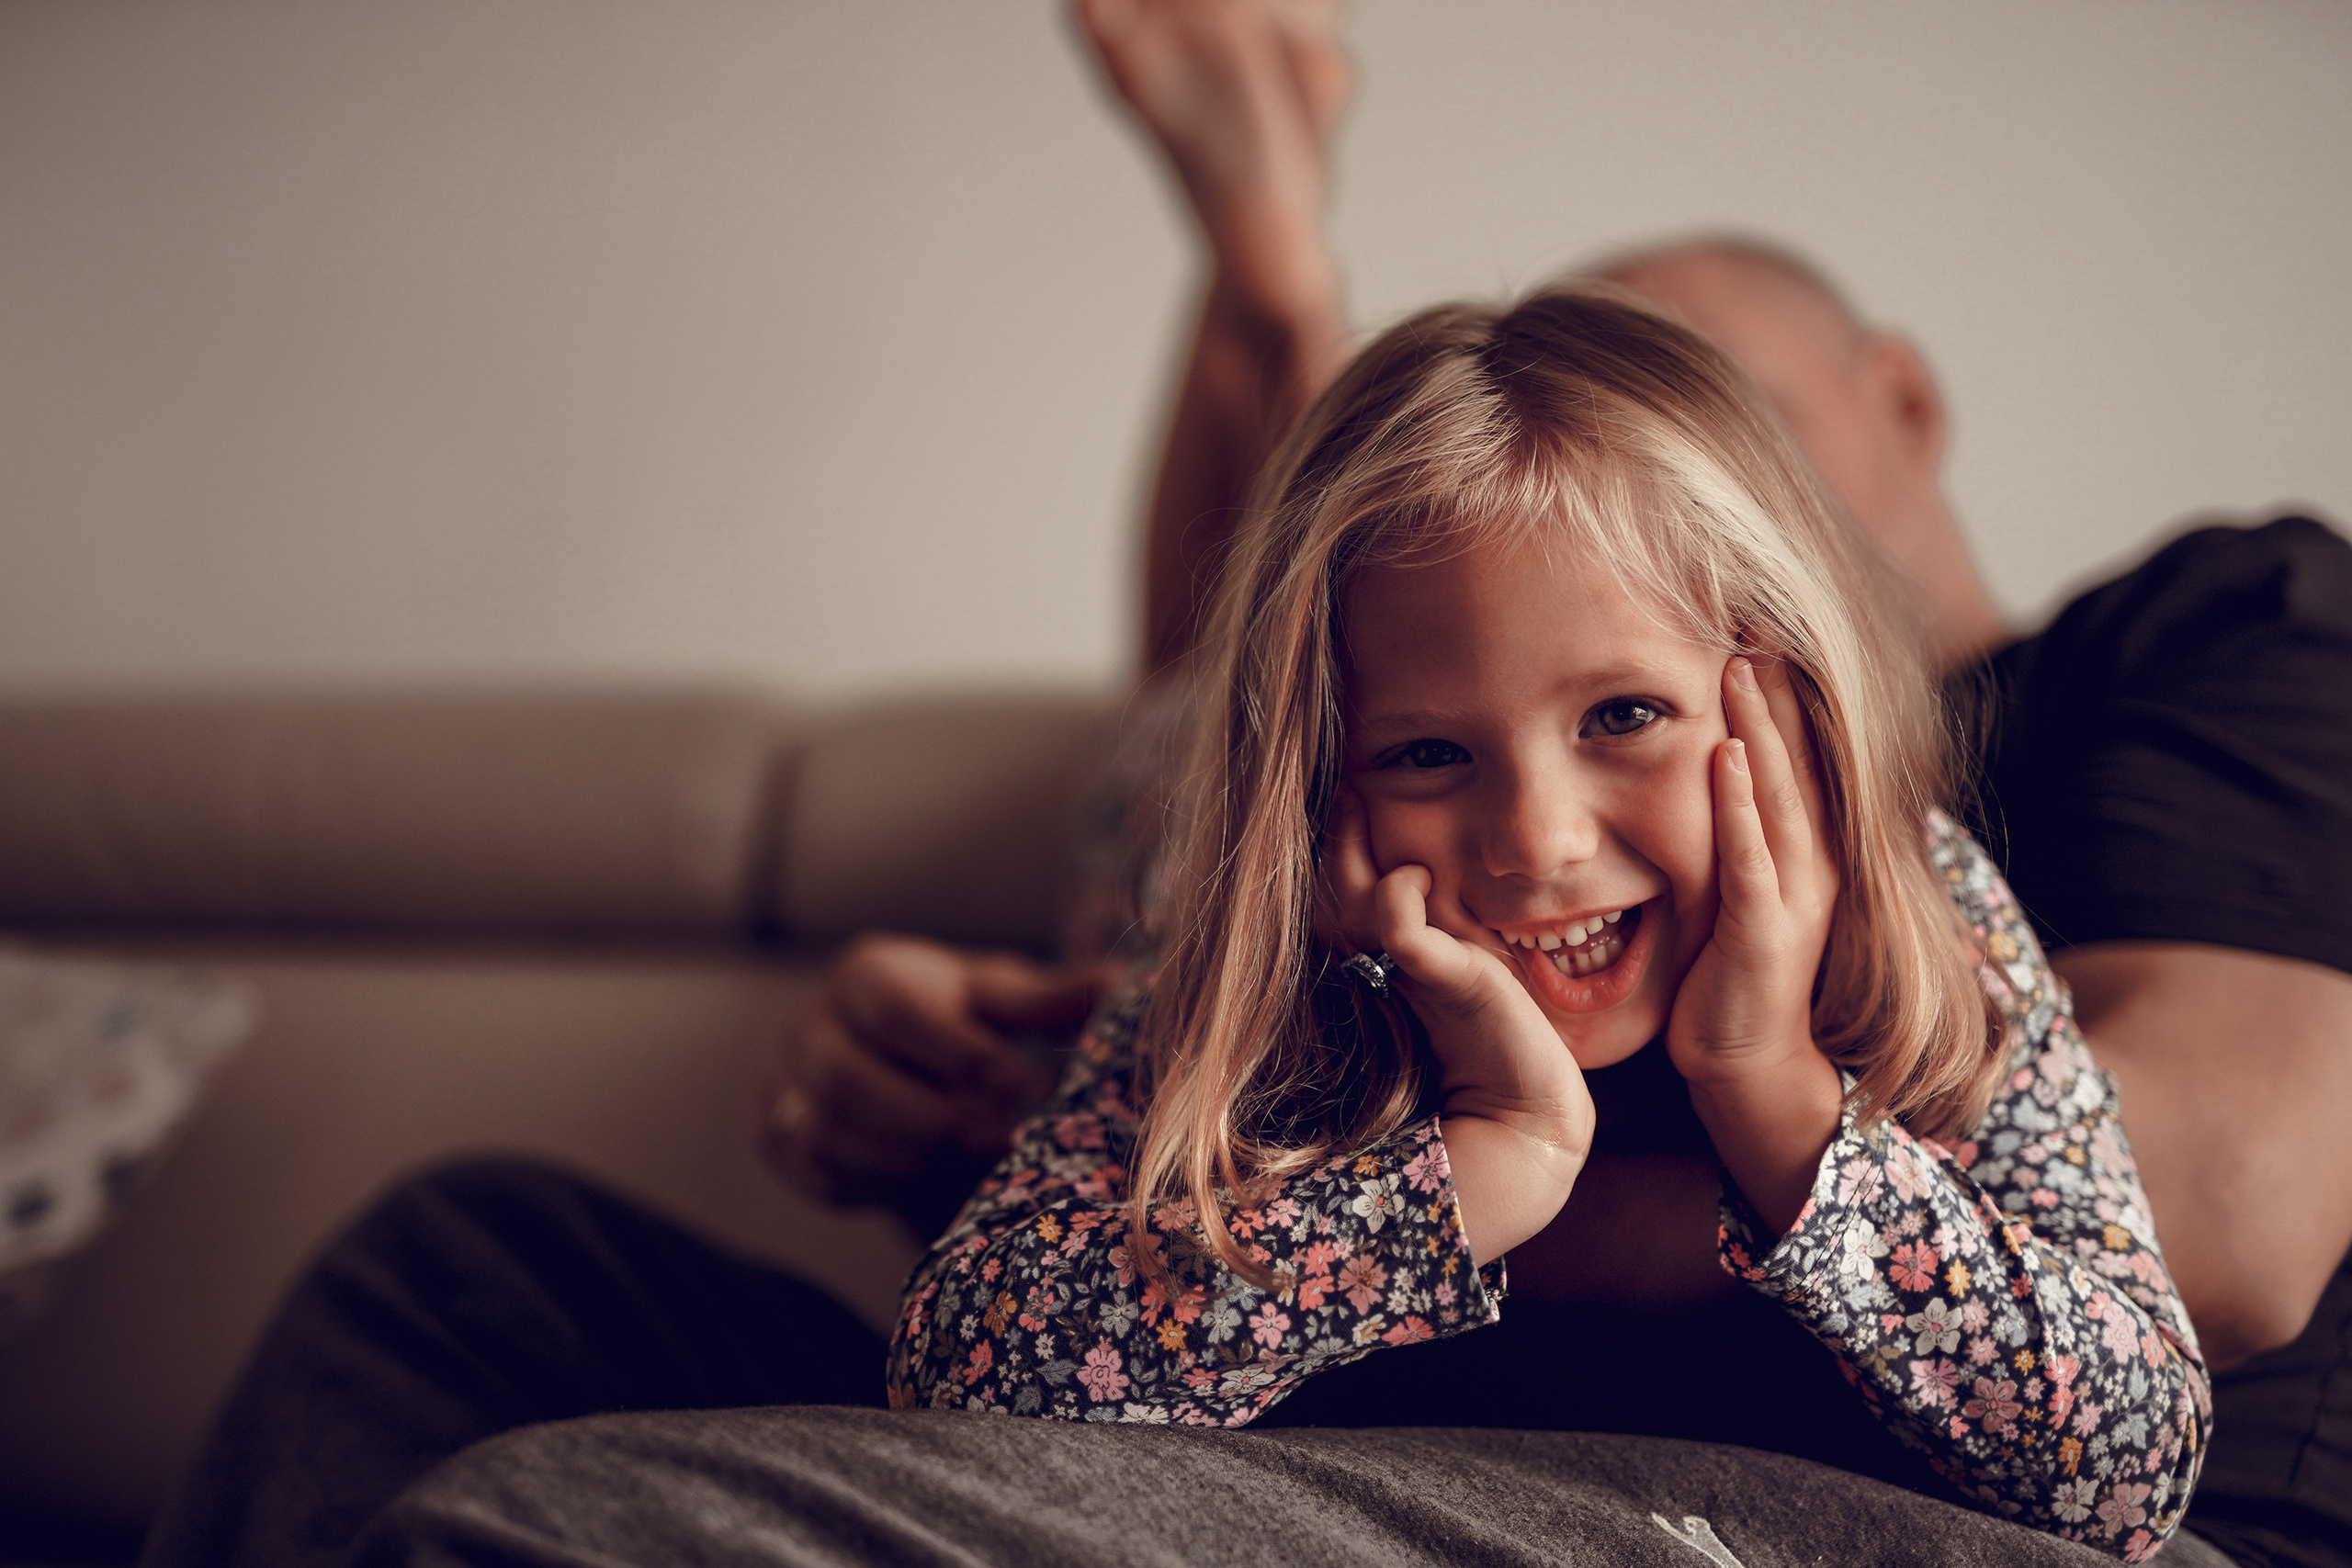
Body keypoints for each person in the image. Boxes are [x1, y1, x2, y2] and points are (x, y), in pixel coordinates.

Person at [775, 4, 2352, 1558]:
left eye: (1624, 720)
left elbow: (2134, 1458)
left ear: (1785, 701)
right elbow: (963, 1376)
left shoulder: (1926, 899)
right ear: (1330, 782)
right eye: (1428, 751)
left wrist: (1782, 1109)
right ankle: (1272, 300)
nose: (1534, 842)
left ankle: (1281, 307)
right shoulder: (1284, 956)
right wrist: (1465, 1175)